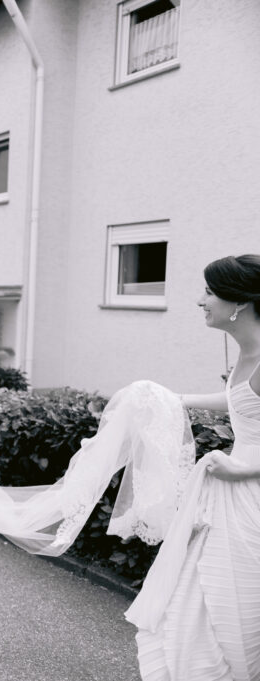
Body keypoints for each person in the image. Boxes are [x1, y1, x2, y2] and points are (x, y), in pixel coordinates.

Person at [125, 254, 260, 680]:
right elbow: (244, 403)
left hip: (250, 498)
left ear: (238, 302)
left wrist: (246, 470)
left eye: (209, 291)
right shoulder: (247, 352)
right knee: (196, 603)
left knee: (235, 611)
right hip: (227, 497)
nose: (200, 300)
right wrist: (179, 399)